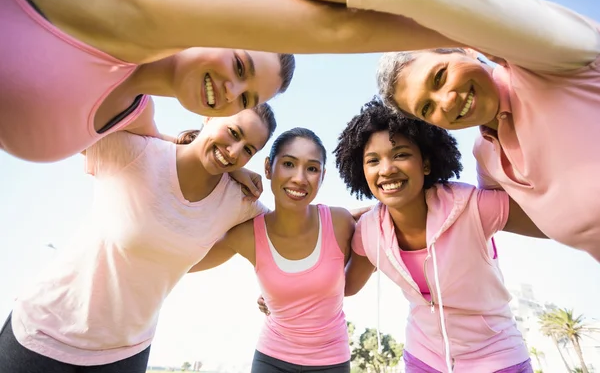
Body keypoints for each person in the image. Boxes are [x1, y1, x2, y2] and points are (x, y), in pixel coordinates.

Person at [213, 0, 600, 262]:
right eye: (427, 109)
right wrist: (230, 166)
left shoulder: (544, 64)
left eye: (440, 76)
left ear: (467, 48)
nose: (447, 102)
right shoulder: (490, 159)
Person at [0, 0, 458, 163]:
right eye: (240, 63)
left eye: (245, 98)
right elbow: (335, 28)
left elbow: (168, 140)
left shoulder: (130, 114)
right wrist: (464, 32)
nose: (230, 88)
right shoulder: (123, 14)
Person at [0, 104, 277, 373]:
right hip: (43, 332)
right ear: (208, 116)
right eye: (234, 132)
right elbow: (64, 122)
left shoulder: (238, 201)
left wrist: (279, 292)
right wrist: (188, 144)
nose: (235, 151)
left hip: (124, 352)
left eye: (248, 150)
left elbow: (286, 238)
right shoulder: (137, 153)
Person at [335, 98, 545, 372]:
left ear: (425, 163)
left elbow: (553, 223)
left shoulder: (471, 206)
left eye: (400, 154)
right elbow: (346, 286)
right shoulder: (369, 231)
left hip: (498, 357)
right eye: (373, 160)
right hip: (424, 359)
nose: (386, 169)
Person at [190, 127, 356, 373]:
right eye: (289, 164)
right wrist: (231, 170)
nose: (300, 178)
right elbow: (183, 262)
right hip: (272, 359)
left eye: (312, 168)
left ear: (322, 177)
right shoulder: (247, 235)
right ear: (268, 168)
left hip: (331, 361)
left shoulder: (341, 222)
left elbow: (372, 253)